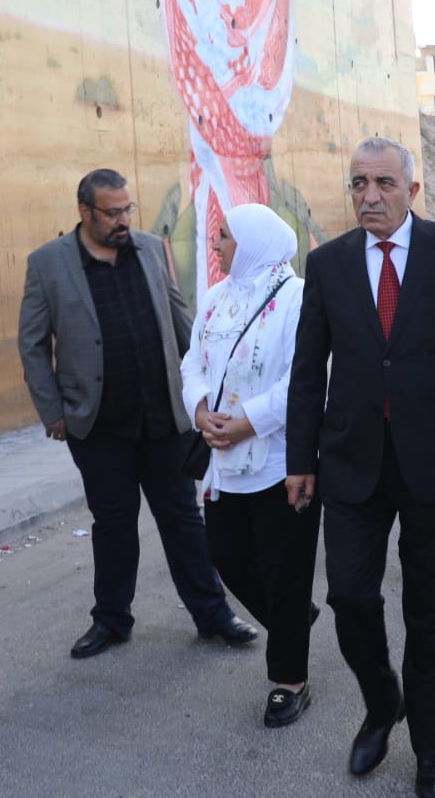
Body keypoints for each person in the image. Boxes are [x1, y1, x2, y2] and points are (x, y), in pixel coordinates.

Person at [287, 136, 435, 798]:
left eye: (383, 183)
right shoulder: (327, 263)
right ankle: (383, 703)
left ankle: (430, 743)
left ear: (411, 189)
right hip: (352, 461)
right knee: (349, 595)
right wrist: (299, 459)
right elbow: (306, 371)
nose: (369, 196)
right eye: (358, 183)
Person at [18, 168, 254, 660]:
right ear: (85, 212)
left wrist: (209, 386)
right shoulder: (48, 264)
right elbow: (33, 344)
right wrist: (52, 410)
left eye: (127, 209)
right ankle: (111, 620)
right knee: (113, 524)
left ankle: (213, 614)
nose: (123, 220)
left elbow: (181, 319)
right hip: (97, 423)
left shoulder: (148, 247)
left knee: (183, 519)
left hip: (162, 417)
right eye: (112, 213)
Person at [180, 203, 319, 728]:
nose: (215, 244)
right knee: (227, 555)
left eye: (224, 236)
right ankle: (293, 620)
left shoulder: (297, 298)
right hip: (223, 458)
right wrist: (200, 410)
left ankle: (289, 681)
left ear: (254, 242)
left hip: (281, 460)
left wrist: (246, 423)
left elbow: (304, 378)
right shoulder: (217, 298)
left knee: (286, 570)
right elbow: (193, 361)